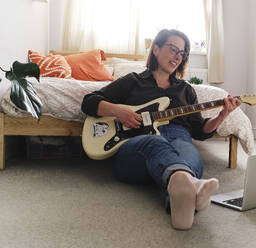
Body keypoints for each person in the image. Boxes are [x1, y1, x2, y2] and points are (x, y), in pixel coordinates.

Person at [81, 29, 241, 230]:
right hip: (137, 145)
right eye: (173, 49)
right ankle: (192, 185)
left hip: (178, 136)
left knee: (189, 152)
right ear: (155, 49)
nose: (177, 56)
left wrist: (222, 115)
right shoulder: (133, 81)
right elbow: (89, 102)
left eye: (182, 53)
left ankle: (181, 191)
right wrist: (119, 111)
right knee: (157, 143)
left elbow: (200, 131)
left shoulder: (186, 90)